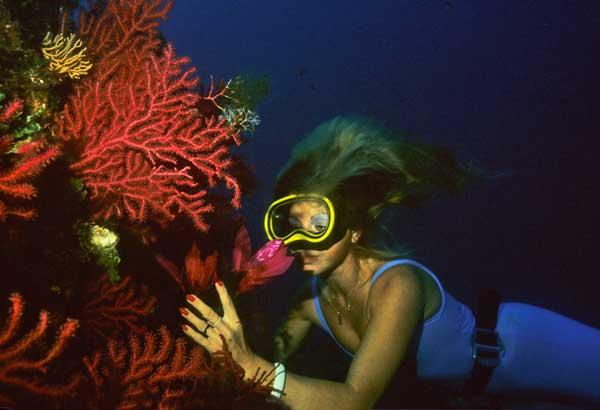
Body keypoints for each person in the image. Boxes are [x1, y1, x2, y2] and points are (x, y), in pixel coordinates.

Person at [181, 116, 600, 410]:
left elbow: (355, 399)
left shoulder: (397, 285)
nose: (299, 240)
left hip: (522, 348)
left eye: (319, 223)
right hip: (487, 393)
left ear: (355, 230)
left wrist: (252, 366)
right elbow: (271, 361)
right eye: (291, 223)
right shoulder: (307, 303)